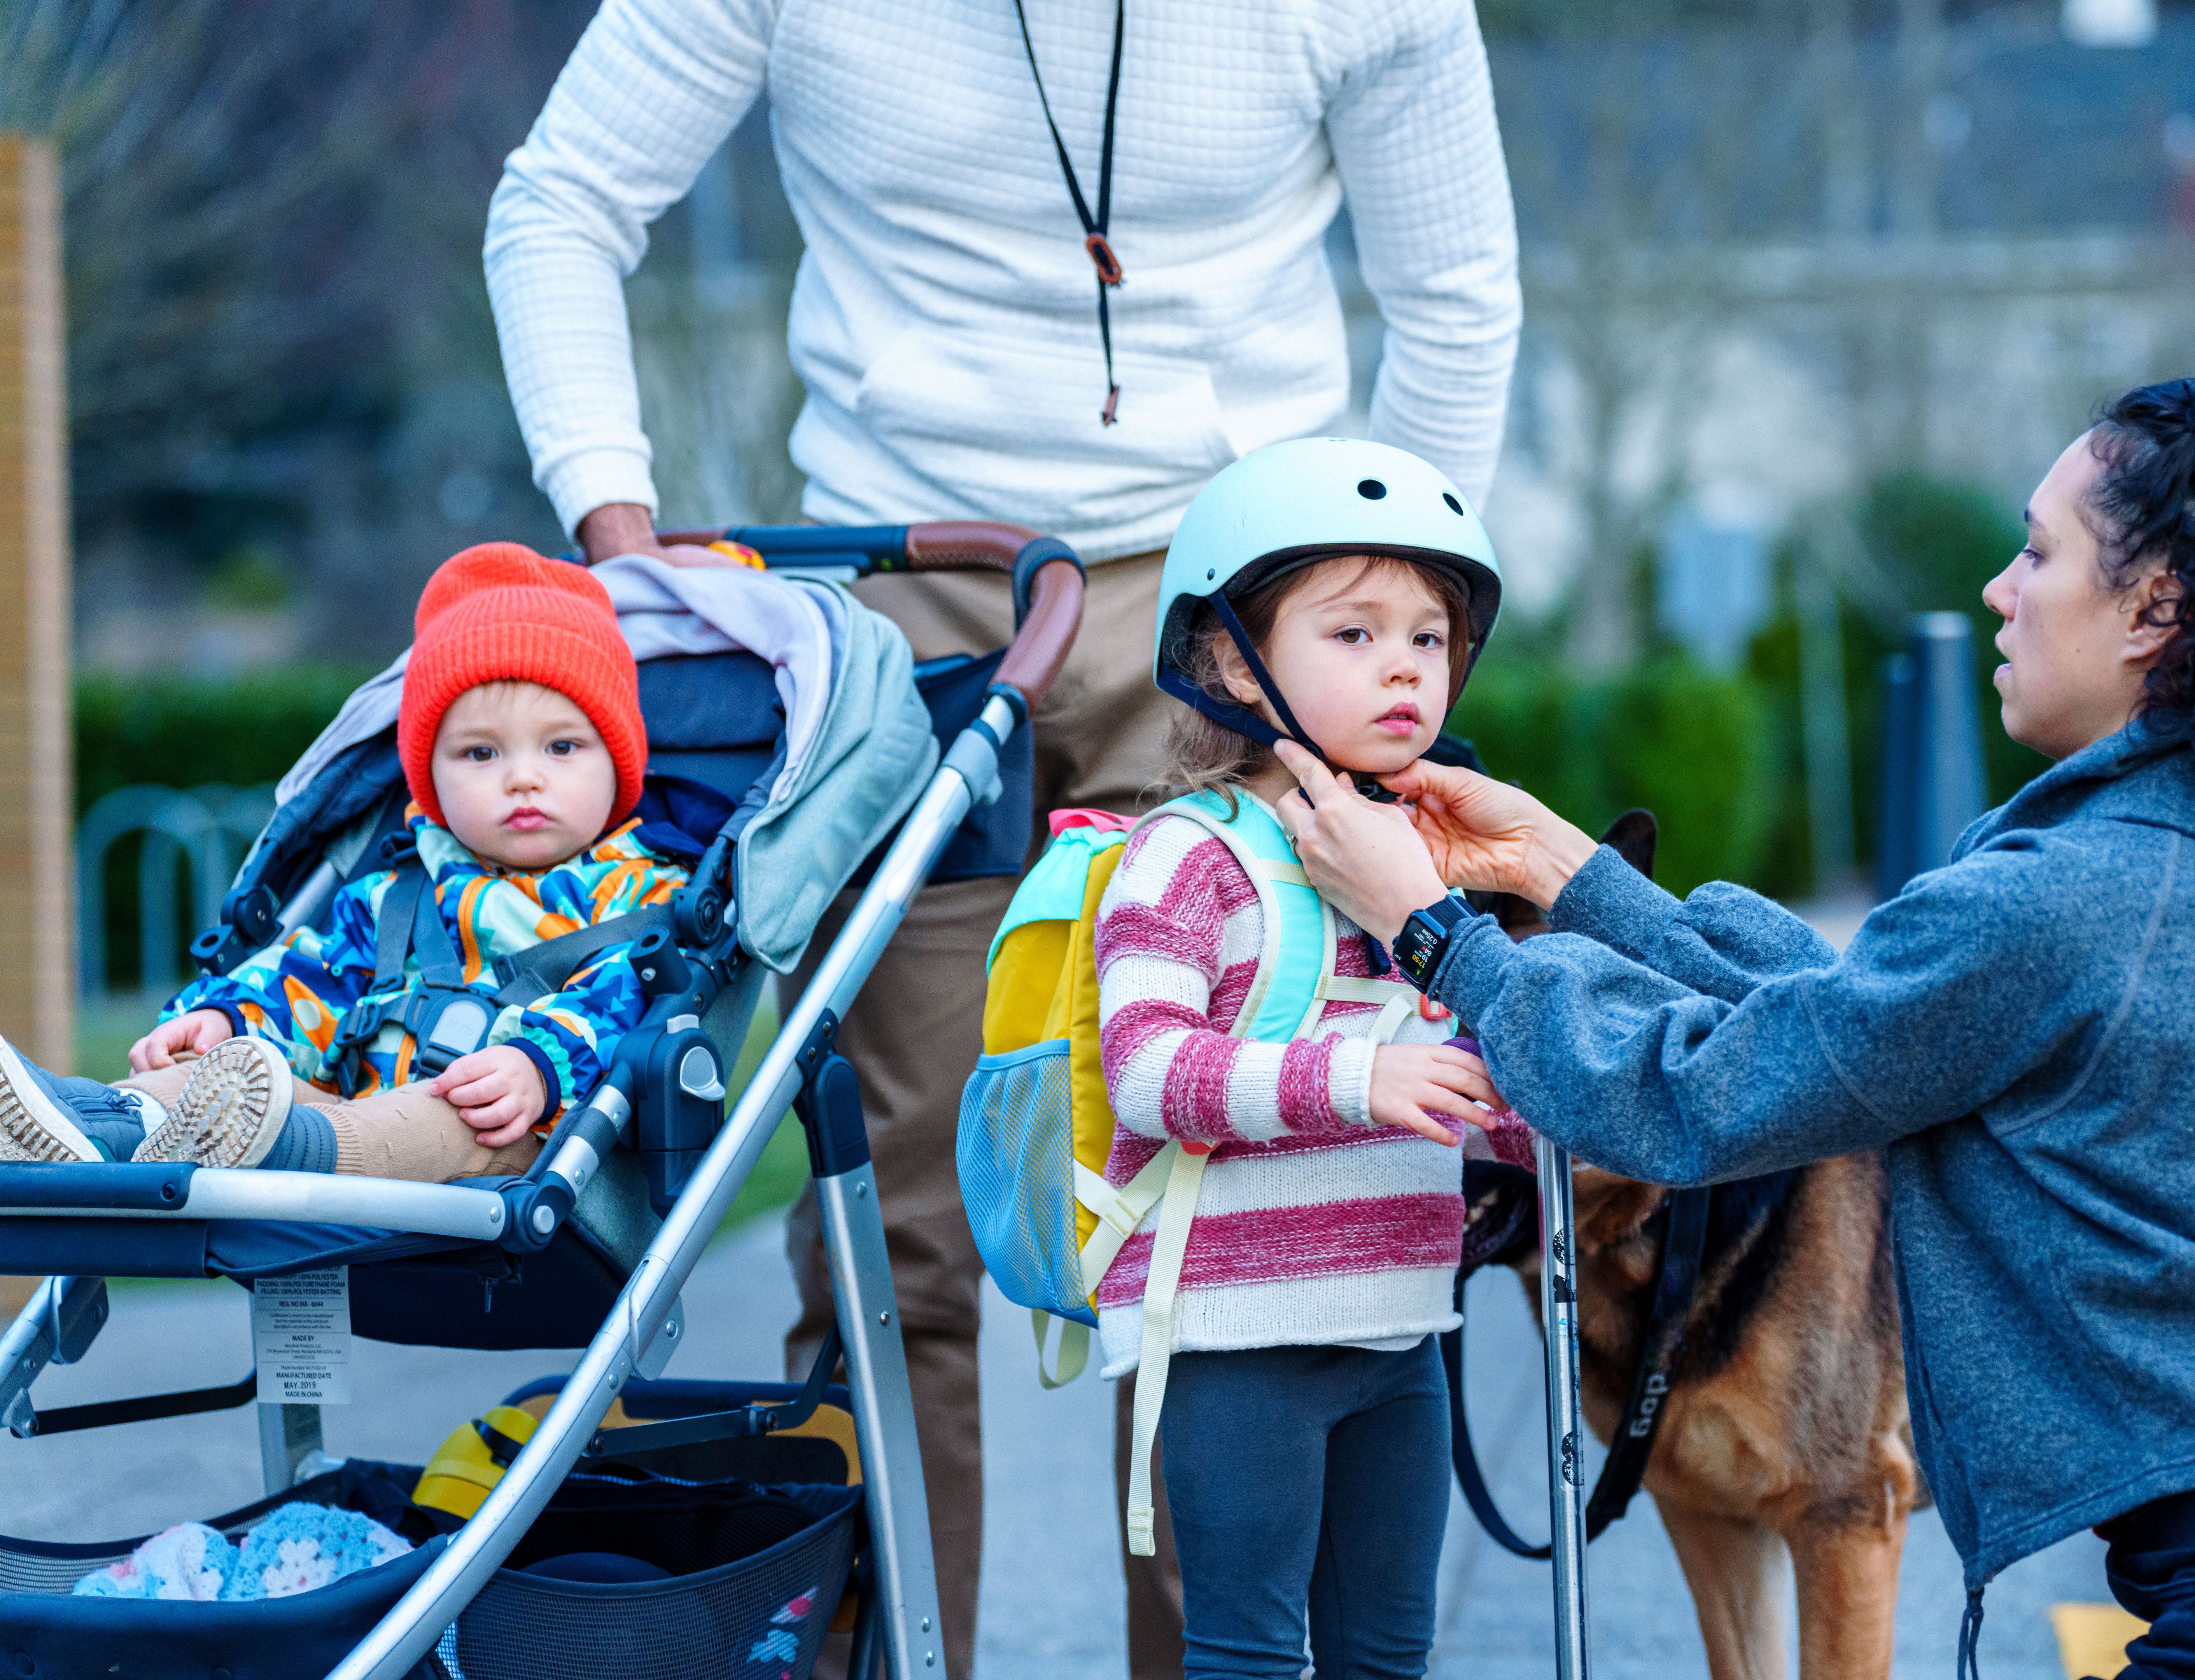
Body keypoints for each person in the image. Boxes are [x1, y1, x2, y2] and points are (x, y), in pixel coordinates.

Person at [483, 5, 1520, 1672]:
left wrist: (1381, 631)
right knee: (895, 1239)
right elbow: (562, 204)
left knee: (1230, 1204)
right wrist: (622, 539)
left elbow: (1458, 295)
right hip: (914, 605)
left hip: (1243, 596)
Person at [1276, 362, 2195, 1677]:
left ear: (2158, 608)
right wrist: (1567, 875)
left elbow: (1697, 1094)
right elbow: (1861, 1022)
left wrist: (1437, 933)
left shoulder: (2080, 894)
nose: (1999, 588)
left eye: (2039, 553)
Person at [1100, 438, 1529, 1679]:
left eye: (1429, 638)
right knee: (1245, 1654)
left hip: (1401, 1336)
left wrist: (1544, 1106)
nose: (1404, 662)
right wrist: (1359, 1080)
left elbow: (1476, 1083)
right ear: (1234, 659)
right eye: (1353, 634)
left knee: (1389, 1657)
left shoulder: (1425, 866)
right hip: (1241, 1343)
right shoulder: (1186, 857)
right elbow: (1150, 1072)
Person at [0, 545, 680, 1185]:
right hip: (340, 1115)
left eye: (562, 748)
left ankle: (274, 1152)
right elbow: (312, 980)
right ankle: (102, 1123)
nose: (523, 779)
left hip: (510, 1132)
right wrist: (228, 1020)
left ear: (620, 762)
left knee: (451, 1116)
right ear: (429, 779)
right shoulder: (397, 895)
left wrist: (539, 1066)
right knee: (223, 1071)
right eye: (482, 754)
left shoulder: (637, 895)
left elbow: (619, 999)